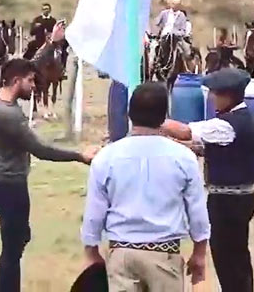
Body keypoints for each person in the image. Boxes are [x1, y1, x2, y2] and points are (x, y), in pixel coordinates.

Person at [0, 49, 97, 292]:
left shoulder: (4, 101)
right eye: (30, 81)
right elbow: (40, 149)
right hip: (9, 183)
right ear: (17, 81)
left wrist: (50, 43)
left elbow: (25, 65)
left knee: (18, 238)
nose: (34, 86)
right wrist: (79, 155)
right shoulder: (7, 115)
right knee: (12, 249)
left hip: (5, 180)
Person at [81, 83, 210, 291]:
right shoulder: (183, 158)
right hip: (164, 255)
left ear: (130, 114)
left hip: (121, 255)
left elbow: (94, 213)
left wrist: (91, 252)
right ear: (164, 116)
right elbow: (197, 211)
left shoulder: (107, 157)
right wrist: (199, 253)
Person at [162, 68, 254, 292]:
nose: (211, 98)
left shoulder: (227, 125)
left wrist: (153, 119)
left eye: (215, 94)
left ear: (227, 96)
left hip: (228, 201)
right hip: (236, 198)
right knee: (236, 259)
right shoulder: (238, 120)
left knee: (229, 261)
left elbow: (187, 131)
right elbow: (202, 147)